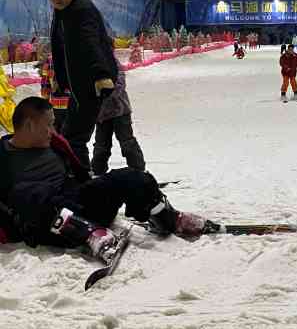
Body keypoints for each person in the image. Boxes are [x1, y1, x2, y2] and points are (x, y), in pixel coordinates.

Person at [0, 97, 216, 261]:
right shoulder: (3, 156)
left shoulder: (54, 146)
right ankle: (90, 235)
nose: (52, 131)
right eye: (48, 125)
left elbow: (82, 175)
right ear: (28, 126)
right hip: (46, 224)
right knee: (28, 193)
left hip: (80, 203)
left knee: (130, 176)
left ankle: (168, 219)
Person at [43, 0, 119, 168]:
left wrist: (101, 74)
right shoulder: (61, 12)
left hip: (93, 83)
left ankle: (82, 185)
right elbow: (60, 47)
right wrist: (59, 76)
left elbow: (90, 42)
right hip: (77, 84)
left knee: (74, 138)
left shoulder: (81, 11)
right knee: (70, 136)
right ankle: (79, 180)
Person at [91, 66, 146, 176]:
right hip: (102, 113)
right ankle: (97, 170)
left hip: (120, 110)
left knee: (127, 141)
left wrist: (108, 94)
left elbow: (120, 80)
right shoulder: (91, 63)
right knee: (101, 144)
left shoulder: (111, 60)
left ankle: (138, 170)